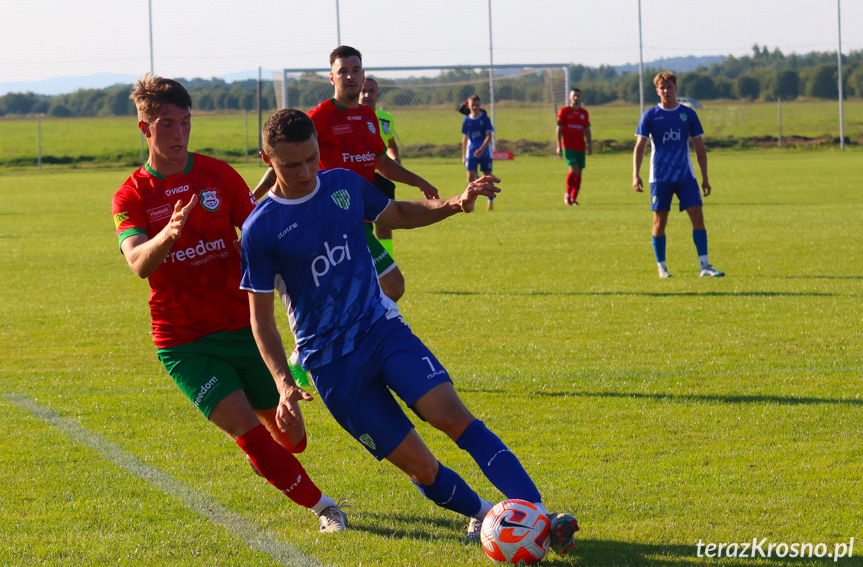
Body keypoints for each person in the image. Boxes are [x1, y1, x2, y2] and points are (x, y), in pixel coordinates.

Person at [240, 108, 580, 556]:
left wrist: (454, 204)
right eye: (291, 164)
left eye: (311, 158)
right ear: (268, 160)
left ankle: (538, 515)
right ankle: (483, 515)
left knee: (454, 417)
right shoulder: (260, 229)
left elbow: (397, 211)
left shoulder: (343, 185)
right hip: (332, 367)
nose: (305, 172)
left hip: (381, 331)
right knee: (421, 467)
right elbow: (261, 318)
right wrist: (284, 383)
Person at [111, 74, 347, 533]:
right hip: (184, 341)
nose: (177, 135)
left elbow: (262, 236)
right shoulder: (132, 195)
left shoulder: (219, 176)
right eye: (166, 126)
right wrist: (170, 234)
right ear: (145, 129)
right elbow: (139, 261)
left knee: (292, 439)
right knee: (250, 434)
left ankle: (280, 436)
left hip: (243, 326)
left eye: (184, 124)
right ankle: (326, 509)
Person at [253, 46, 437, 303]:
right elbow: (283, 163)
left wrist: (418, 181)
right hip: (332, 218)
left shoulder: (368, 116)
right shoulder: (318, 118)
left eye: (355, 70)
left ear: (363, 76)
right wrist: (254, 198)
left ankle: (354, 331)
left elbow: (382, 163)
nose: (350, 76)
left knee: (356, 290)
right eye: (343, 71)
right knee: (393, 286)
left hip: (363, 213)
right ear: (332, 77)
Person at [632, 71, 724, 279]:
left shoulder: (688, 114)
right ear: (657, 91)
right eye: (662, 88)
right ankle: (662, 268)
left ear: (676, 88)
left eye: (669, 87)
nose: (666, 91)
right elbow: (640, 147)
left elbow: (699, 147)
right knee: (660, 221)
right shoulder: (650, 116)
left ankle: (705, 266)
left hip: (685, 176)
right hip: (660, 178)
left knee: (698, 217)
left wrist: (705, 177)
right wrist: (635, 174)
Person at [359, 76, 399, 258]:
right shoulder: (351, 117)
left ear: (378, 94)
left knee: (384, 227)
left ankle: (386, 267)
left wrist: (395, 160)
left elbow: (390, 144)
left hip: (381, 179)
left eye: (371, 91)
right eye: (363, 90)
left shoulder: (386, 119)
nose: (367, 94)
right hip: (359, 179)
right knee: (358, 227)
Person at [556, 88, 593, 206]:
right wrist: (558, 146)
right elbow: (559, 129)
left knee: (579, 173)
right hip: (568, 146)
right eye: (574, 96)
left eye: (578, 96)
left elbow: (587, 130)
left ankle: (574, 198)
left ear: (581, 98)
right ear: (569, 97)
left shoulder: (584, 113)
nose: (576, 98)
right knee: (574, 170)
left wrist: (590, 145)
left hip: (580, 147)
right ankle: (567, 196)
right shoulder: (564, 111)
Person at [461, 95, 495, 210]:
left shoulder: (485, 119)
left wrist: (482, 149)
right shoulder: (466, 120)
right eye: (473, 105)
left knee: (487, 177)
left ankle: (490, 201)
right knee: (471, 178)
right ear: (469, 106)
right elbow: (465, 138)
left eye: (477, 105)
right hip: (471, 153)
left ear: (480, 105)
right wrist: (463, 155)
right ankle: (471, 203)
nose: (475, 107)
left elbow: (489, 136)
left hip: (485, 152)